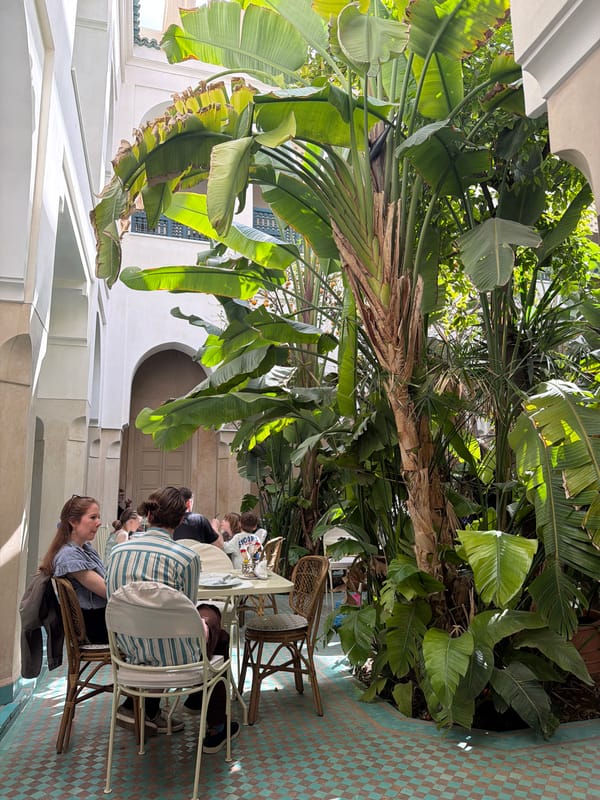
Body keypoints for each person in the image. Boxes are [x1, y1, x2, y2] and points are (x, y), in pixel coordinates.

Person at [106, 486, 239, 750]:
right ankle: (216, 728)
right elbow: (186, 609)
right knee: (216, 627)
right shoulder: (187, 557)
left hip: (129, 652)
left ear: (149, 516)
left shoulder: (118, 552)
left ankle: (146, 708)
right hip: (178, 656)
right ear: (180, 520)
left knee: (202, 620)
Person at [39, 495, 107, 644]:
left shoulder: (84, 549)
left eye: (98, 517)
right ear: (73, 522)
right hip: (94, 627)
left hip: (99, 619)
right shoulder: (69, 555)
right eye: (93, 517)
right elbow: (107, 590)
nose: (99, 522)